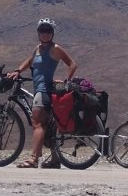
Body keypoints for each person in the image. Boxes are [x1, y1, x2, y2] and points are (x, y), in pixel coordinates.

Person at [8, 18, 78, 169]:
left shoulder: (55, 49)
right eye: (42, 31)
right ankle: (54, 159)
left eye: (48, 31)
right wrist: (18, 71)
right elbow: (30, 60)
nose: (45, 34)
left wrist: (67, 81)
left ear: (52, 33)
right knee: (47, 125)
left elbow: (72, 64)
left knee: (37, 123)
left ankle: (33, 159)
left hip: (44, 90)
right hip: (40, 89)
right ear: (38, 33)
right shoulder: (38, 49)